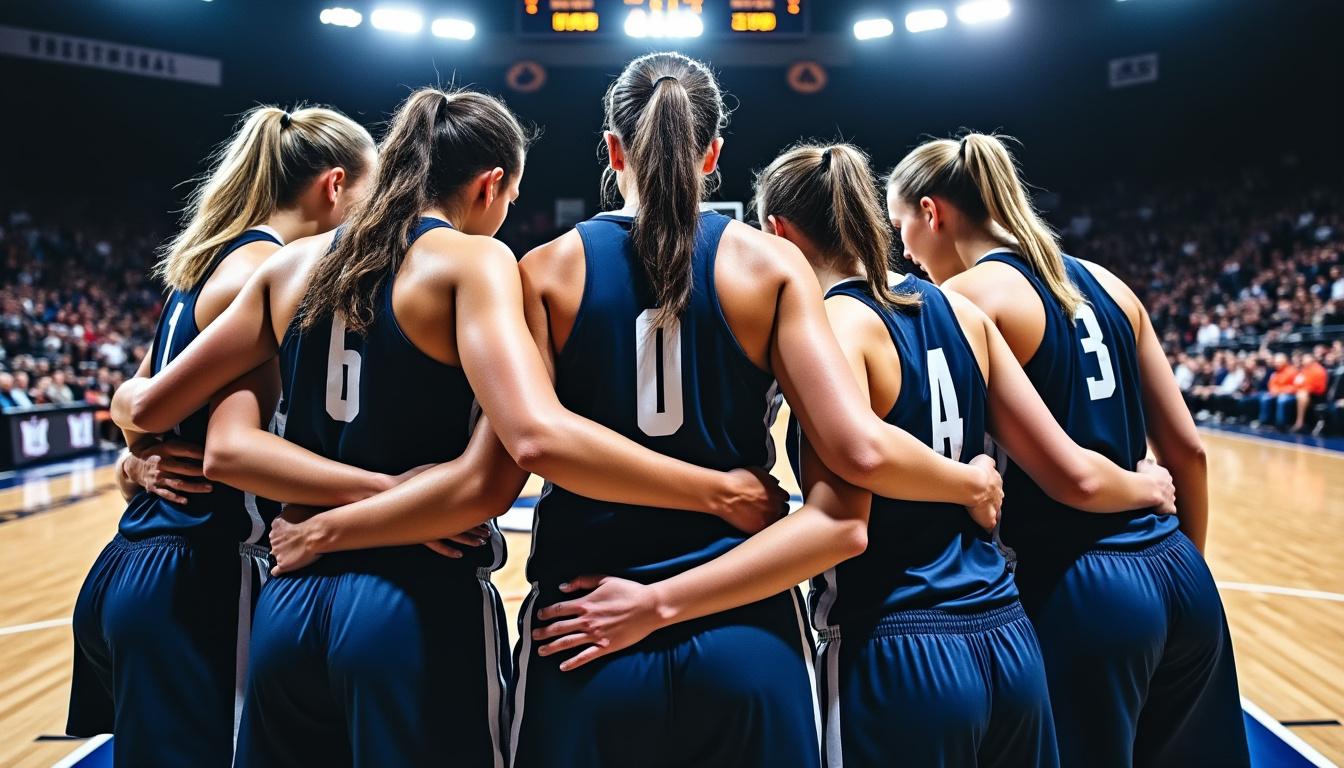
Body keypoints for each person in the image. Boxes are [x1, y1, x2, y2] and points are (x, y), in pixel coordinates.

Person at [111, 86, 788, 767]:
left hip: (288, 605)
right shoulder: (474, 262)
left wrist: (135, 449)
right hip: (412, 600)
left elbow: (175, 423)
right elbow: (498, 471)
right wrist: (396, 495)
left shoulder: (288, 264)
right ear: (491, 185)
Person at [509, 54, 1007, 768]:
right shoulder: (773, 269)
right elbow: (842, 518)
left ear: (614, 149)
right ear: (714, 152)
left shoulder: (543, 270)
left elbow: (532, 443)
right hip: (748, 629)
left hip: (582, 630)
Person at [729, 142, 1173, 767]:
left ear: (778, 234)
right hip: (1008, 637)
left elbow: (853, 477)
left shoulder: (831, 328)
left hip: (896, 640)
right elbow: (1061, 458)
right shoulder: (963, 310)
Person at [886, 132, 1249, 766]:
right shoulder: (1110, 284)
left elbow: (1067, 480)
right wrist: (1178, 563)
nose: (907, 253)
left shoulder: (968, 300)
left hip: (1078, 580)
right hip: (1180, 573)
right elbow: (1188, 451)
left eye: (900, 228)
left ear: (931, 212)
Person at [69, 104, 376, 766]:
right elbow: (204, 437)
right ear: (334, 186)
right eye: (369, 193)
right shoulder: (260, 276)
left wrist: (134, 461)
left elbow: (136, 396)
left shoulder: (205, 267)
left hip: (143, 558)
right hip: (198, 569)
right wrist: (389, 493)